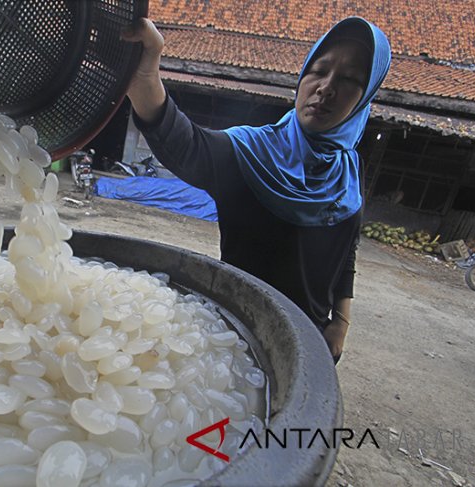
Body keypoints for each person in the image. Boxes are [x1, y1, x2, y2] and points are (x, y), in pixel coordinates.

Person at [122, 17, 391, 363]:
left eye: (350, 79)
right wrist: (145, 79)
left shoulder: (349, 170)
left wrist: (340, 323)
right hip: (239, 336)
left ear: (366, 94)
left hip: (310, 341)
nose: (326, 87)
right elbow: (185, 143)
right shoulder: (251, 152)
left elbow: (346, 250)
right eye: (319, 71)